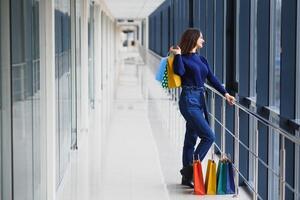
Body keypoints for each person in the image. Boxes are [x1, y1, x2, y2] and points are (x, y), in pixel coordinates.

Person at [169, 28, 235, 188]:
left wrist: (225, 93)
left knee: (191, 137)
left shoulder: (202, 59)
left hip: (200, 99)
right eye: (201, 38)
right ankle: (190, 170)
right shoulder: (182, 58)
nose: (203, 40)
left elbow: (211, 78)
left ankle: (186, 177)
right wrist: (177, 55)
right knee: (209, 136)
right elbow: (179, 71)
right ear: (193, 39)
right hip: (189, 99)